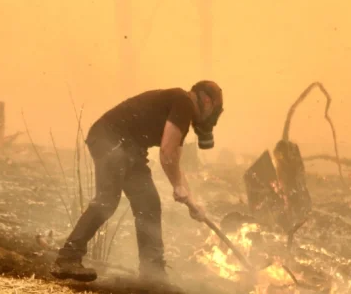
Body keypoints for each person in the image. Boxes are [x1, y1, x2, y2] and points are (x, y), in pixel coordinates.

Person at [50, 80, 224, 284]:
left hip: (130, 148)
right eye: (214, 110)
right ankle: (68, 258)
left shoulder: (182, 109)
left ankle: (152, 274)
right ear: (206, 100)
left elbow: (174, 157)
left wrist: (192, 202)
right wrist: (178, 186)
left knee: (148, 204)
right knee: (107, 200)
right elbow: (167, 153)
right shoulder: (184, 103)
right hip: (110, 139)